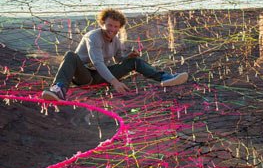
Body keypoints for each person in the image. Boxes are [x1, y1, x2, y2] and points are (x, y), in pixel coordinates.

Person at [41, 7, 188, 102]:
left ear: (119, 28)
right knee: (70, 55)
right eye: (109, 25)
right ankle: (59, 89)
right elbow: (97, 62)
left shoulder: (115, 40)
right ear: (102, 23)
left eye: (116, 26)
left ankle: (165, 77)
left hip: (100, 76)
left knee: (134, 61)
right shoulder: (93, 37)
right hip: (83, 76)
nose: (112, 29)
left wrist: (128, 57)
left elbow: (118, 58)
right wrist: (115, 82)